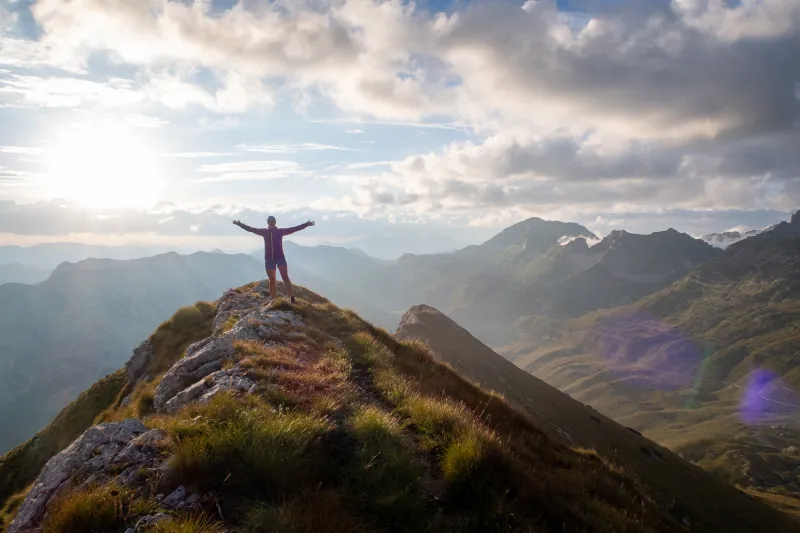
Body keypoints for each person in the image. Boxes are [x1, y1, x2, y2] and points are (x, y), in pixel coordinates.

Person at [233, 215, 315, 303]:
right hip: (269, 259)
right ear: (268, 223)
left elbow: (293, 229)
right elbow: (251, 229)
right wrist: (240, 224)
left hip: (280, 257)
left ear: (275, 222)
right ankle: (273, 300)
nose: (271, 224)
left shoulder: (280, 231)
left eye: (272, 222)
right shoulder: (264, 232)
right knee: (272, 280)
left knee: (285, 277)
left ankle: (291, 298)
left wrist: (306, 224)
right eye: (270, 223)